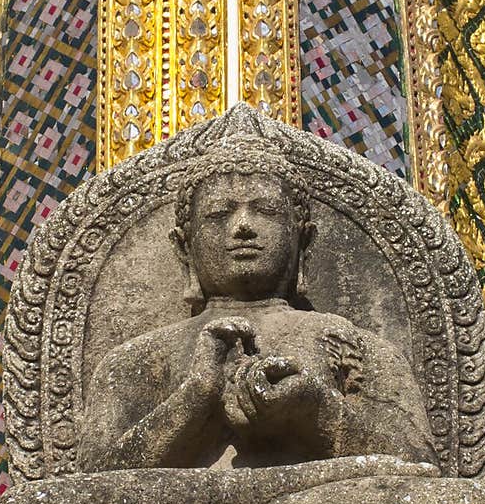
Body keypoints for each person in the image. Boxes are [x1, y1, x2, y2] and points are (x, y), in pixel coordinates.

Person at [77, 150, 439, 472]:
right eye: (219, 215)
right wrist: (196, 396)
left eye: (266, 211)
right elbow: (90, 486)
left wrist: (314, 407)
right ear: (184, 248)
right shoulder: (136, 359)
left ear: (304, 241)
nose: (243, 227)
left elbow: (419, 468)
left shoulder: (350, 344)